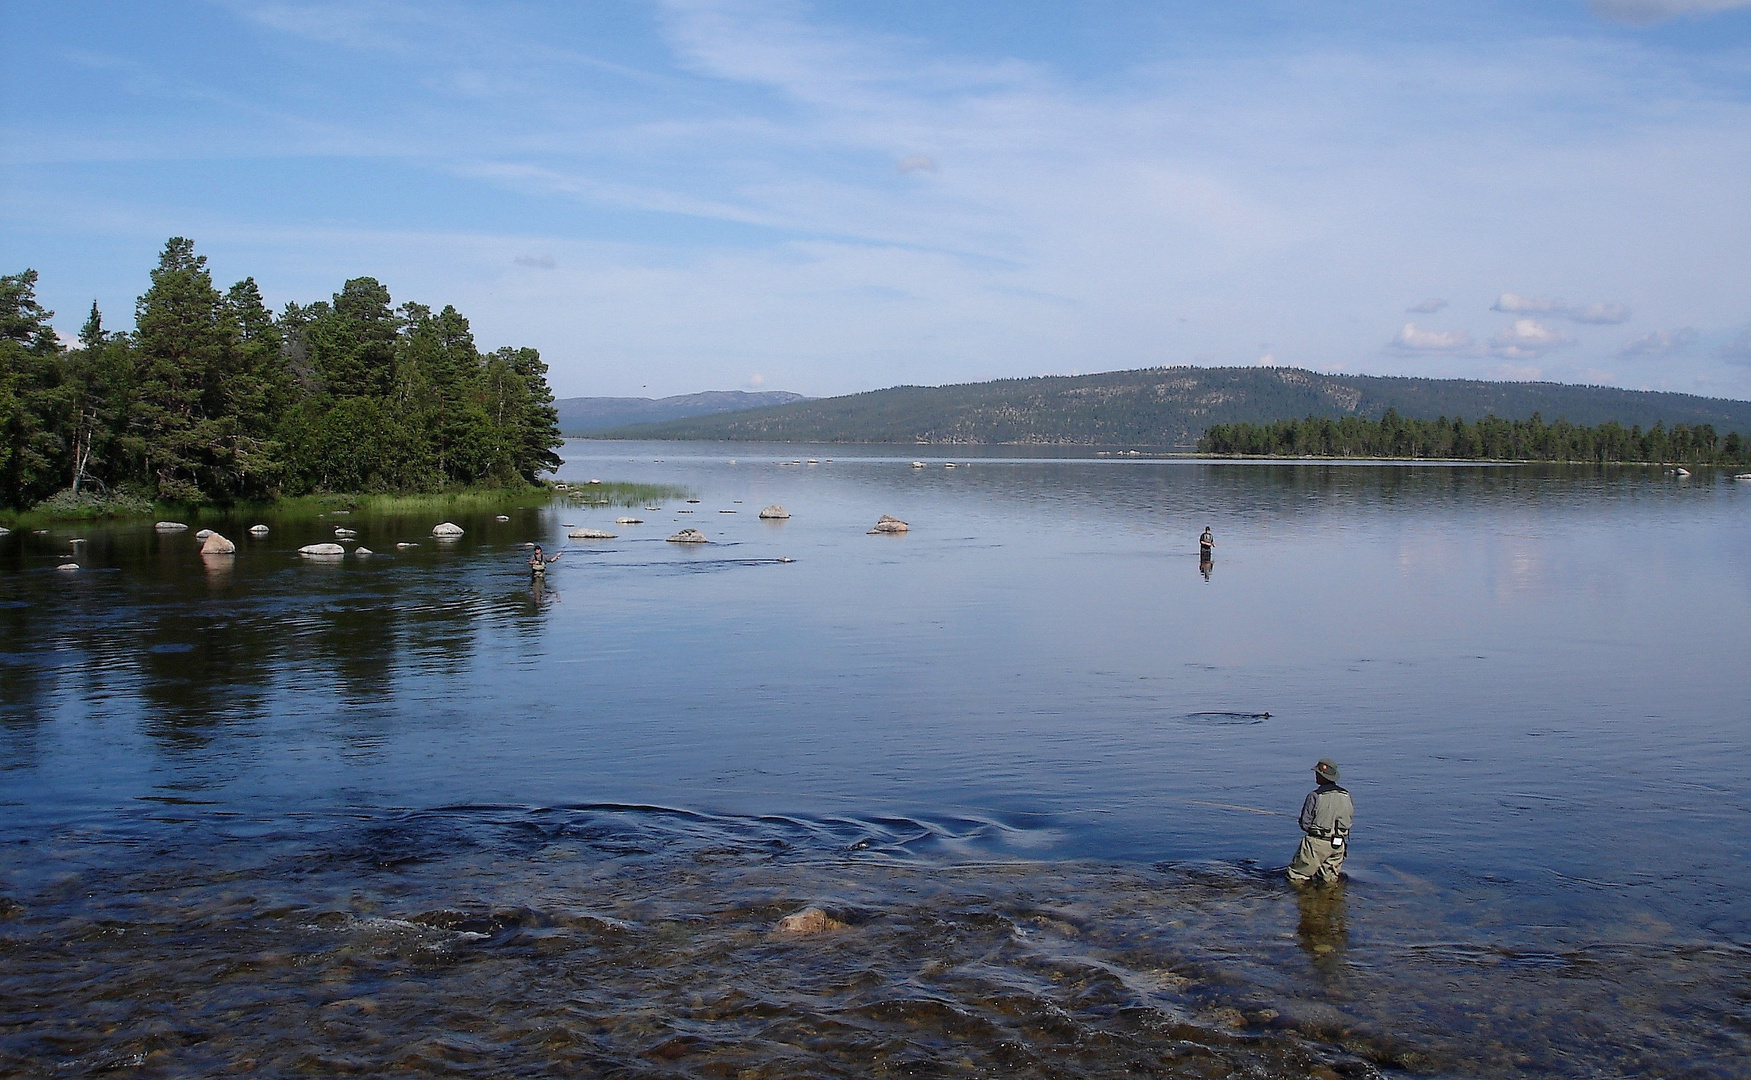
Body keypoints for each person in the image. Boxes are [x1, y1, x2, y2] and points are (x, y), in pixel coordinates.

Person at [1287, 758, 1353, 885]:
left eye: (1317, 773)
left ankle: (1303, 901)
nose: (1316, 776)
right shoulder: (1346, 795)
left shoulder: (1314, 796)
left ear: (1323, 777)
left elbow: (1305, 824)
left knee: (1296, 877)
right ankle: (1331, 902)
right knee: (1330, 881)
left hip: (1316, 845)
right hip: (1338, 845)